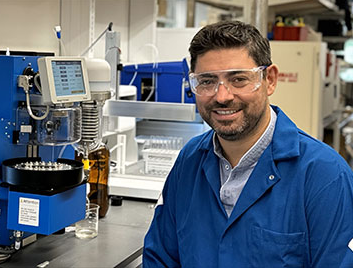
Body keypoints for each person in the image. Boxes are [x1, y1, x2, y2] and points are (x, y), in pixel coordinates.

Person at [143, 20, 353, 267]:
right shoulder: (190, 160)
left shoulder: (324, 175)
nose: (222, 96)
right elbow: (160, 257)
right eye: (207, 81)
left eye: (239, 79)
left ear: (270, 80)